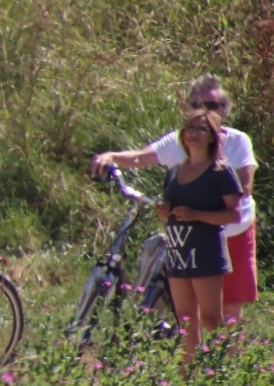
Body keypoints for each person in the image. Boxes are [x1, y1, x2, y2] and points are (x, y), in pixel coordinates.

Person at [92, 74, 258, 322]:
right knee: (191, 311)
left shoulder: (238, 141)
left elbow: (245, 188)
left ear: (224, 110)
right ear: (187, 108)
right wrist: (112, 156)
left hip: (234, 231)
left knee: (229, 307)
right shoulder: (180, 141)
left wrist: (197, 209)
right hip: (192, 235)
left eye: (211, 106)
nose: (204, 112)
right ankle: (195, 358)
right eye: (197, 105)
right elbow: (140, 158)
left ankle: (225, 359)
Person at [154, 110, 243, 368]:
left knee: (212, 318)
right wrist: (163, 213)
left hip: (206, 252)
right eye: (190, 127)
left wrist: (196, 214)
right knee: (185, 319)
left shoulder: (220, 172)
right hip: (177, 251)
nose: (193, 133)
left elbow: (234, 214)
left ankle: (218, 372)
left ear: (213, 137)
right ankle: (187, 377)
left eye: (201, 129)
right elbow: (169, 210)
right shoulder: (174, 172)